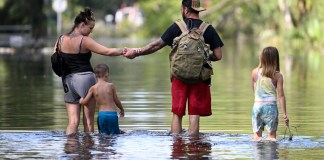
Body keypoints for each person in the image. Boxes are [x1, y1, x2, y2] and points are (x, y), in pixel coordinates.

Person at [124, 0, 224, 136]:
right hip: (200, 77)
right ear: (198, 10)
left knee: (177, 112)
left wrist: (136, 52)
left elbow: (156, 45)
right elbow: (218, 55)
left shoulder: (177, 26)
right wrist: (205, 58)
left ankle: (177, 145)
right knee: (194, 113)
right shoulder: (208, 29)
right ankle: (194, 147)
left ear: (185, 9)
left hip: (179, 76)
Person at [52, 7, 125, 135]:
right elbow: (107, 51)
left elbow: (54, 58)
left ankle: (71, 151)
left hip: (67, 82)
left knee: (73, 122)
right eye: (90, 28)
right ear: (82, 24)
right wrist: (124, 51)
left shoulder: (60, 40)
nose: (90, 32)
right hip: (85, 79)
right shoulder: (84, 40)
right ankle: (88, 152)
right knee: (88, 122)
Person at [251, 46, 289, 141]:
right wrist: (284, 114)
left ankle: (258, 154)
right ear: (275, 59)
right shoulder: (277, 75)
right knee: (271, 137)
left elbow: (254, 92)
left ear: (262, 58)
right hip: (270, 108)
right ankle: (270, 154)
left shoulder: (254, 72)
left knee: (256, 137)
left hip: (257, 106)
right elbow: (281, 96)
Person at [79, 64, 125, 135]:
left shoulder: (93, 88)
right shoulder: (111, 86)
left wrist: (81, 100)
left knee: (103, 136)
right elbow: (116, 101)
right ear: (106, 75)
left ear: (95, 76)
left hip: (101, 115)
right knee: (114, 135)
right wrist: (122, 109)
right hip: (112, 115)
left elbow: (85, 102)